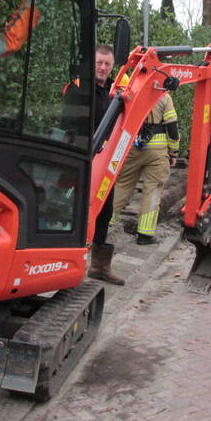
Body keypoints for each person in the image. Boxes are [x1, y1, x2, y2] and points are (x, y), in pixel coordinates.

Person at [64, 44, 125, 284]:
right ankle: (70, 260)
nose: (102, 68)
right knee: (79, 209)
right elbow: (69, 123)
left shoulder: (113, 91)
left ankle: (99, 266)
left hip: (106, 160)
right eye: (99, 63)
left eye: (107, 64)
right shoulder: (79, 89)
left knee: (105, 209)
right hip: (83, 159)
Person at [112, 94, 180, 245]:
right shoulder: (164, 97)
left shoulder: (132, 90)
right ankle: (145, 234)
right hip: (157, 150)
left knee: (122, 184)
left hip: (131, 146)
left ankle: (105, 223)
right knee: (152, 189)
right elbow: (172, 125)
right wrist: (174, 151)